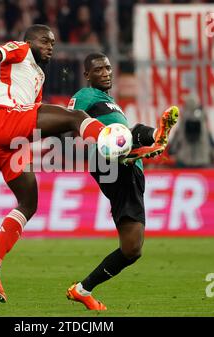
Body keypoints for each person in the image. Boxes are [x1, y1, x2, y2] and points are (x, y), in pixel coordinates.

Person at [0, 25, 169, 304]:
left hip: (3, 141)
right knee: (75, 117)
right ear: (30, 41)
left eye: (54, 42)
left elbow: (40, 122)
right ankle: (111, 140)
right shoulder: (20, 50)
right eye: (45, 41)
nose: (50, 46)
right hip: (3, 119)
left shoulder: (39, 76)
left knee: (29, 202)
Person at [66, 52, 179, 310]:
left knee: (132, 249)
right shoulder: (85, 95)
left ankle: (82, 289)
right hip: (107, 159)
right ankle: (152, 138)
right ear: (87, 75)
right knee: (133, 133)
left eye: (107, 68)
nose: (105, 72)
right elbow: (71, 120)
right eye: (98, 69)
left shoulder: (111, 102)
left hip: (130, 172)